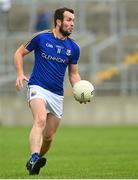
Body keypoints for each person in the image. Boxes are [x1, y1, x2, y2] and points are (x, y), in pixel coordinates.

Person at [14, 7, 82, 175]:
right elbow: (19, 53)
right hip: (38, 86)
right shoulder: (41, 37)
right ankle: (34, 156)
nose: (72, 24)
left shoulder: (74, 48)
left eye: (73, 20)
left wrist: (79, 88)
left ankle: (33, 163)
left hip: (57, 94)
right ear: (58, 21)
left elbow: (73, 74)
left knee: (49, 137)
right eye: (68, 20)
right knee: (40, 120)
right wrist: (20, 74)